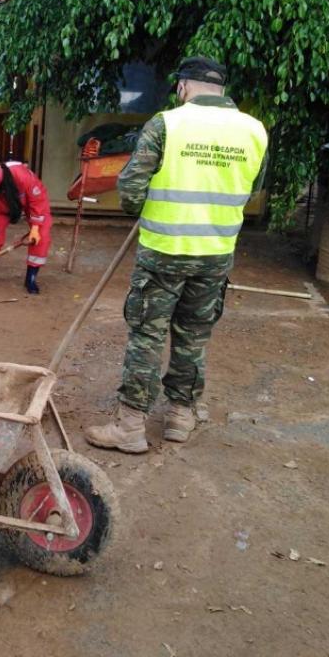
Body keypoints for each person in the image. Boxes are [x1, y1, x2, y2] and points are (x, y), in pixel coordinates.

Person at [85, 57, 267, 453]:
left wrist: (148, 208)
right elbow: (252, 187)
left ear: (183, 86)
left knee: (147, 335)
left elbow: (131, 188)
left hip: (165, 251)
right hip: (216, 253)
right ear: (221, 89)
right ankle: (180, 417)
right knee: (193, 337)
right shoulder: (255, 130)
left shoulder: (167, 123)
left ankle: (131, 426)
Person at [0, 161, 52, 294]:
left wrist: (35, 228)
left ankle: (31, 277)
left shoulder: (23, 176)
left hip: (31, 200)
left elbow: (38, 202)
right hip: (1, 201)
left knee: (41, 236)